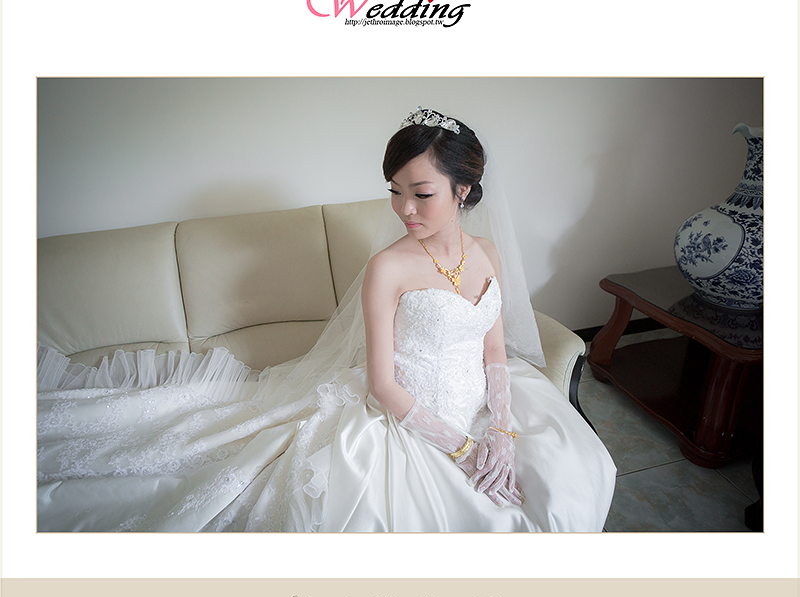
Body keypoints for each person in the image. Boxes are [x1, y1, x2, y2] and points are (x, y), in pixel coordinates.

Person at [37, 108, 616, 532]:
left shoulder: (487, 253)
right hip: (403, 419)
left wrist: (501, 432)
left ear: (462, 190)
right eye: (395, 192)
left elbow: (494, 351)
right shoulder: (388, 268)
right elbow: (382, 384)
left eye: (421, 194)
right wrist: (462, 450)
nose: (404, 209)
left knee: (572, 476)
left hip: (487, 408)